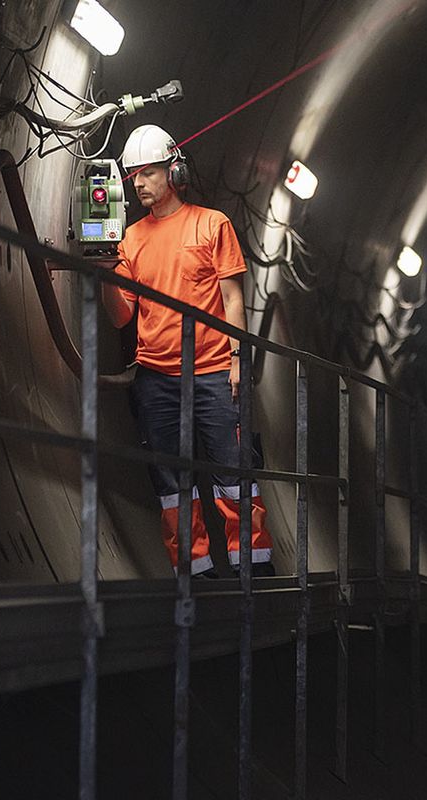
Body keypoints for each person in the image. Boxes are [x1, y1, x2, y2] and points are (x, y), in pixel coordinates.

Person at [102, 124, 272, 577]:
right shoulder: (131, 240)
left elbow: (233, 298)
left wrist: (239, 360)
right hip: (156, 379)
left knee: (233, 476)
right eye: (133, 175)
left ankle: (253, 569)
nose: (138, 182)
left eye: (148, 172)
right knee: (172, 485)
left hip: (215, 370)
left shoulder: (211, 224)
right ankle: (194, 574)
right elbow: (121, 317)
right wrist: (104, 270)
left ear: (173, 172)